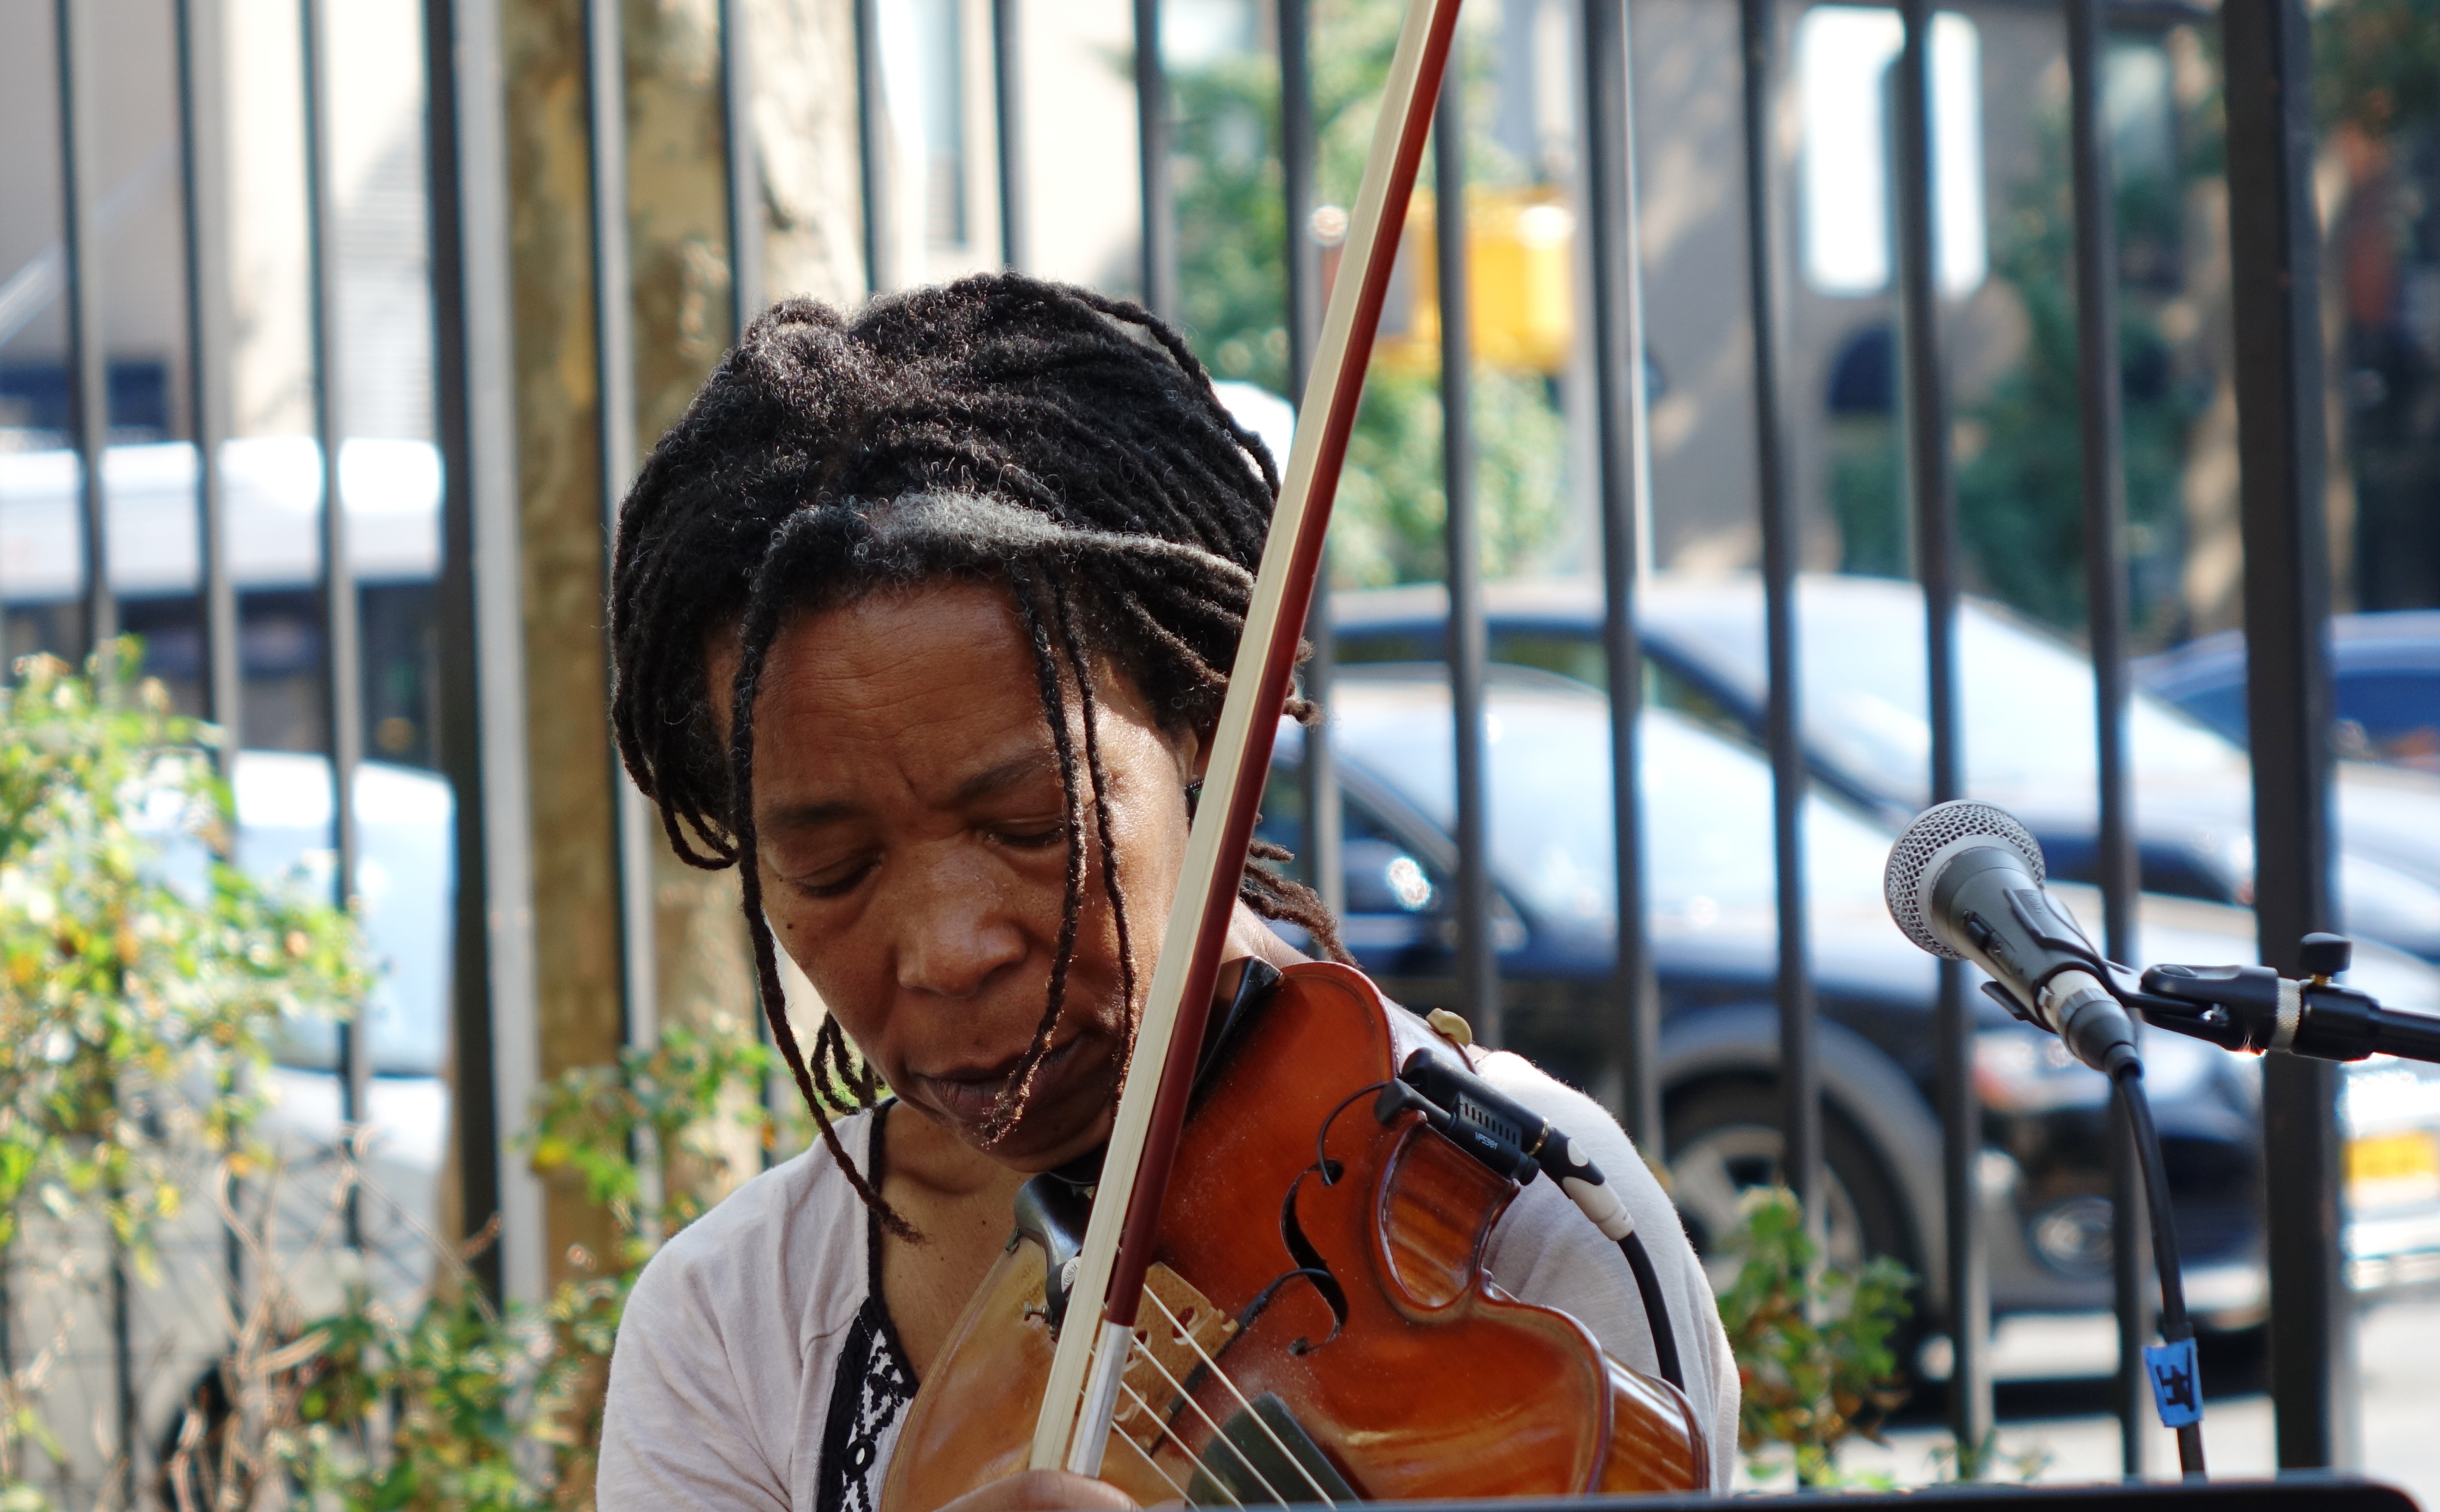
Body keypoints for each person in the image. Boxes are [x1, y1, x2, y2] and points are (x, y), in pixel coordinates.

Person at [595, 274, 1739, 1512]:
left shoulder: (1521, 1223)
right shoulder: (734, 1326)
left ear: (1209, 719)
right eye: (830, 868)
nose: (946, 949)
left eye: (1032, 824)